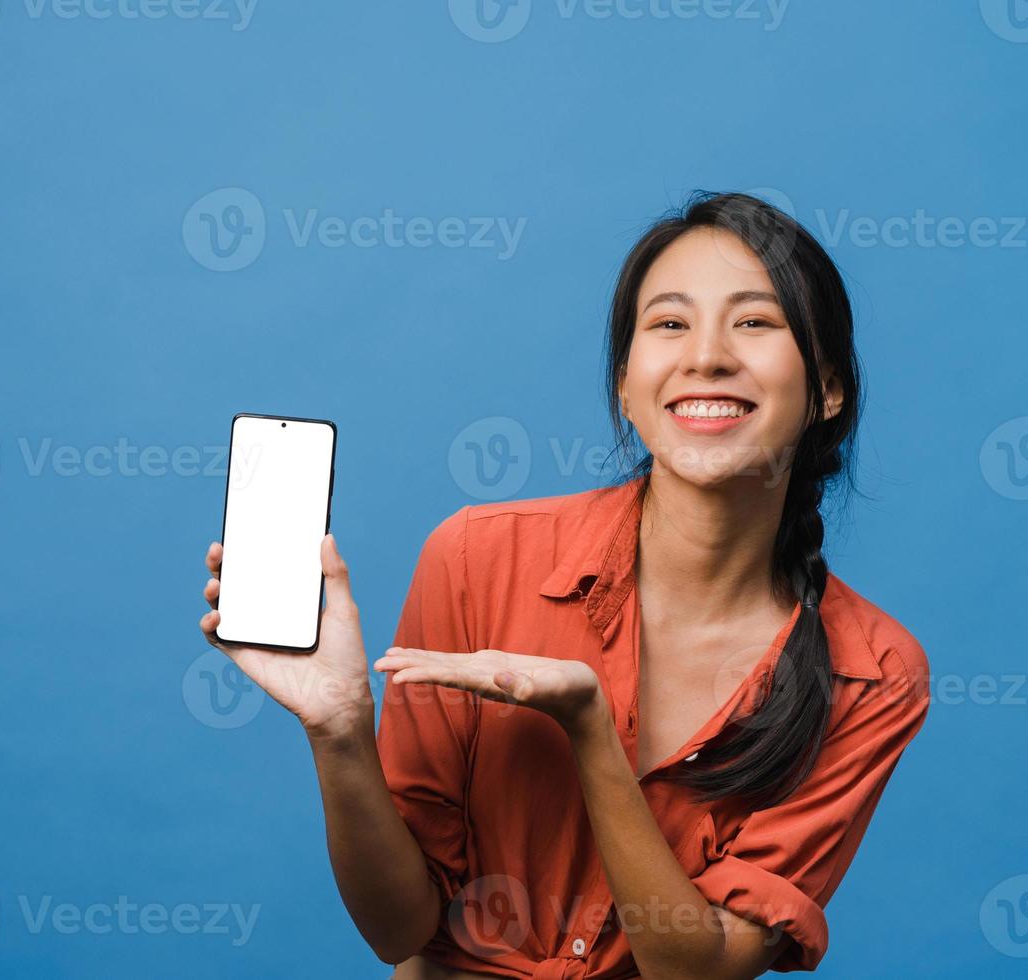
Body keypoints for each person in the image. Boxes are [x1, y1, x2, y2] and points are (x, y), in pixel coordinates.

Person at [197, 192, 930, 979]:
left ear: (827, 390)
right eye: (670, 324)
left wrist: (589, 731)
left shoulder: (874, 673)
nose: (707, 357)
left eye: (755, 322)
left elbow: (699, 969)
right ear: (625, 386)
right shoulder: (477, 560)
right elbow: (399, 928)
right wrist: (338, 734)